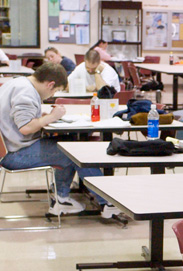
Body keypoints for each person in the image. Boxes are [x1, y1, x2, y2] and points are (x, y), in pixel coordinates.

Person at [0, 63, 120, 218]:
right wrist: (52, 117)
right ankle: (107, 203)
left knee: (69, 143)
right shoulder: (26, 93)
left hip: (11, 146)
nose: (51, 96)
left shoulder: (16, 82)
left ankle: (62, 199)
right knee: (75, 153)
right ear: (50, 84)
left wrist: (42, 117)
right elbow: (26, 128)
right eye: (55, 91)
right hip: (14, 155)